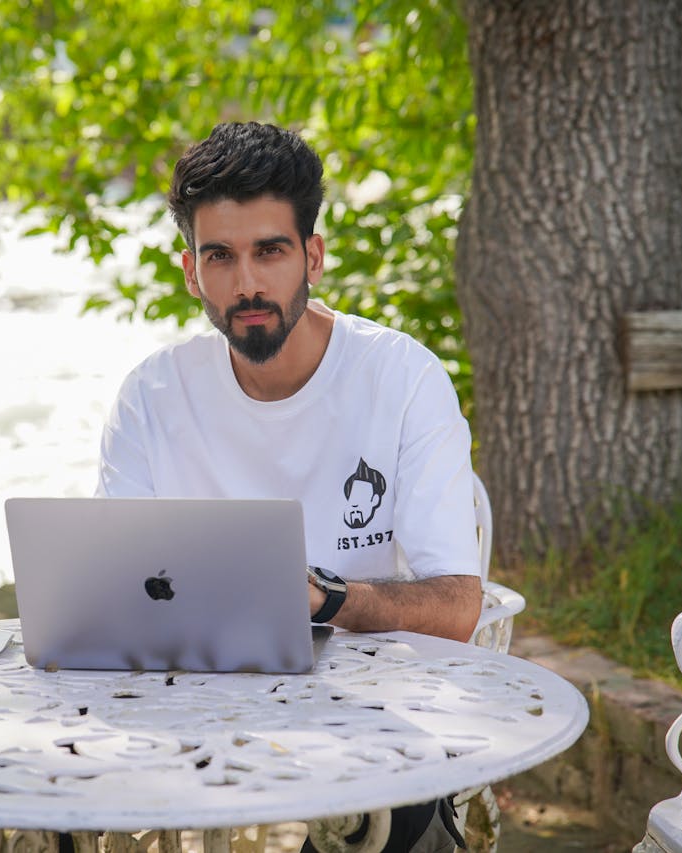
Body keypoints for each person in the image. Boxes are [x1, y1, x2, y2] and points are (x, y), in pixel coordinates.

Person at [94, 121, 480, 852]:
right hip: (191, 709)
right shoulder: (152, 394)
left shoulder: (402, 379)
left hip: (373, 710)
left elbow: (458, 608)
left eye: (269, 251)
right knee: (57, 810)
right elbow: (112, 597)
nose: (247, 283)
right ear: (190, 270)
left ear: (313, 256)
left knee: (391, 826)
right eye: (221, 256)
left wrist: (325, 598)